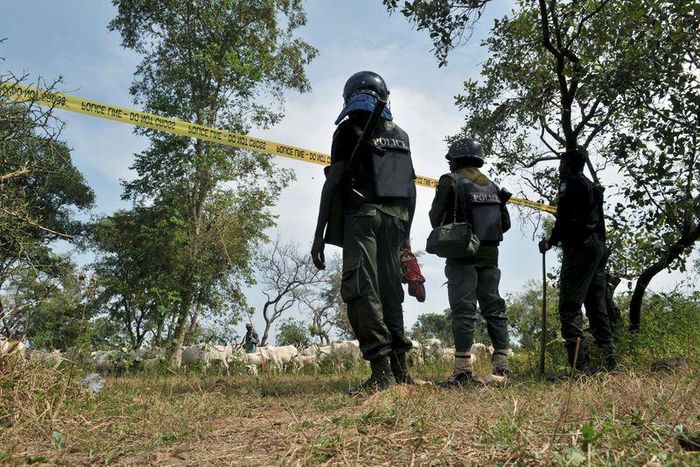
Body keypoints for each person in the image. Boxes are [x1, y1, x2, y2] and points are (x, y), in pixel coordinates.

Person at [311, 71, 417, 390]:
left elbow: (334, 182)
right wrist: (405, 240)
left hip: (364, 218)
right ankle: (401, 370)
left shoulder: (347, 130)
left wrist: (320, 234)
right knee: (389, 293)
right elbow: (410, 189)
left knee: (361, 289)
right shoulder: (401, 134)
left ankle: (382, 372)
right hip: (396, 220)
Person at [429, 138, 512, 386]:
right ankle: (501, 369)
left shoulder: (450, 180)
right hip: (490, 255)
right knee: (494, 309)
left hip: (462, 253)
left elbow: (435, 218)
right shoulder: (493, 186)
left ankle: (463, 370)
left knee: (464, 311)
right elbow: (504, 225)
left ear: (455, 160)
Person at [539, 148, 617, 373]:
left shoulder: (569, 183)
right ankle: (610, 362)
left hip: (580, 248)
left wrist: (550, 242)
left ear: (568, 165)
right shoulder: (593, 187)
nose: (560, 168)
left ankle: (580, 366)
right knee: (596, 305)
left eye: (562, 163)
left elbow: (564, 218)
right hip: (597, 247)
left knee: (570, 305)